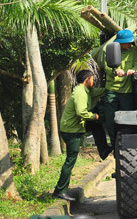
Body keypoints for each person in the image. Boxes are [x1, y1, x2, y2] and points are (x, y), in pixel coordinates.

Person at [53, 70, 112, 202]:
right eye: (92, 79)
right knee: (70, 160)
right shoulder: (80, 93)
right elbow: (81, 112)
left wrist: (110, 88)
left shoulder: (85, 90)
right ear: (87, 80)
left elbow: (98, 92)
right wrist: (95, 116)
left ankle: (103, 150)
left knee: (96, 126)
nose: (93, 81)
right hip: (71, 130)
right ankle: (60, 190)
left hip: (77, 126)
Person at [104, 29, 137, 148]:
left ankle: (128, 145)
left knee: (129, 119)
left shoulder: (134, 51)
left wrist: (134, 70)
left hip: (127, 91)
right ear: (119, 43)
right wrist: (115, 71)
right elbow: (107, 67)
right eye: (127, 42)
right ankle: (114, 144)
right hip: (112, 89)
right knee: (110, 119)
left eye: (131, 42)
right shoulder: (110, 51)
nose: (130, 44)